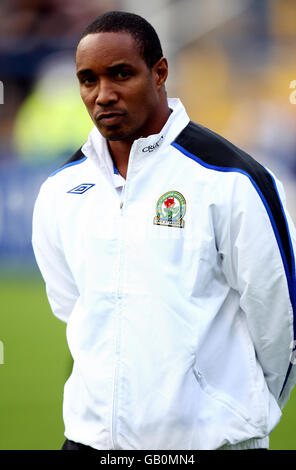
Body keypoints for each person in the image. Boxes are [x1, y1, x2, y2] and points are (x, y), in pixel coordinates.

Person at [32, 11, 296, 451]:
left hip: (207, 442)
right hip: (90, 441)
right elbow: (74, 308)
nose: (103, 95)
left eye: (120, 74)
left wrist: (232, 411)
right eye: (88, 80)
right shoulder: (61, 191)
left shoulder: (231, 178)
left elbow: (279, 320)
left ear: (160, 73)